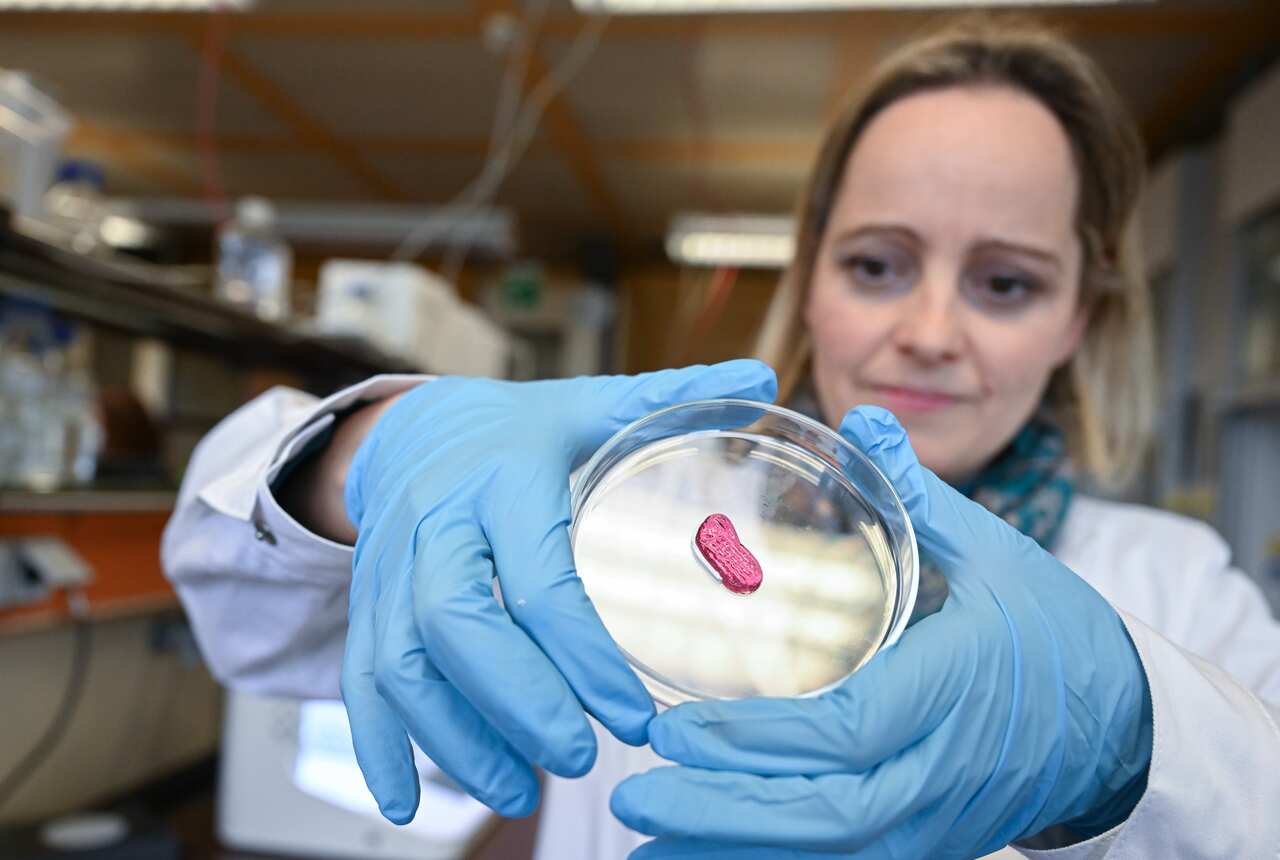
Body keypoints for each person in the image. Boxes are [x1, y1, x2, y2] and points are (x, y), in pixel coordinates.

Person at [162, 17, 1280, 860]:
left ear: (1077, 316)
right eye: (875, 265)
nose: (928, 331)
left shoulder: (1173, 592)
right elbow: (239, 615)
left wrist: (1133, 735)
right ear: (809, 288)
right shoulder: (633, 516)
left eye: (1003, 282)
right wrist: (379, 446)